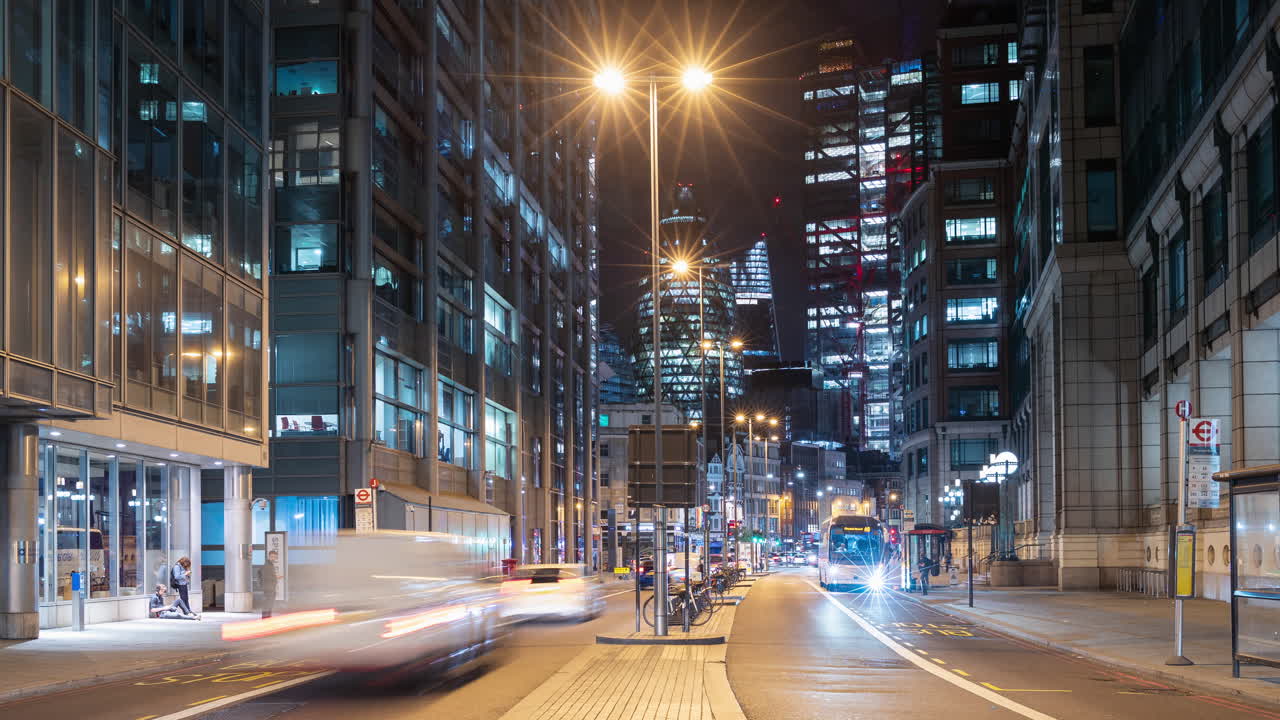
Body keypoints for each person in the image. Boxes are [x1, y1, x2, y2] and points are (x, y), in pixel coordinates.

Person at [259, 550, 279, 618]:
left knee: (269, 604)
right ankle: (266, 618)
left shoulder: (270, 565)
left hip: (270, 588)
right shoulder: (267, 565)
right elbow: (266, 577)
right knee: (268, 604)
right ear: (269, 557)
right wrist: (275, 579)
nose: (273, 558)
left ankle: (267, 618)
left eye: (275, 557)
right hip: (269, 588)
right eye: (272, 557)